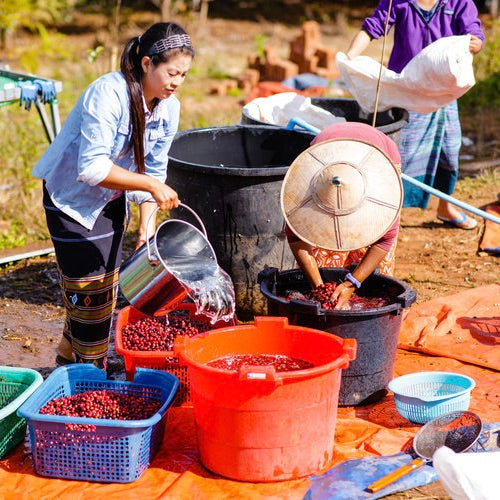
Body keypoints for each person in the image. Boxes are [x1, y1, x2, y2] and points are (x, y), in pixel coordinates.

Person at [31, 22, 194, 369]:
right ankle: (92, 375)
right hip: (71, 200)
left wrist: (146, 231)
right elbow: (90, 168)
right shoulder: (108, 93)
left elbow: (154, 169)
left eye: (183, 75)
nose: (176, 82)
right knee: (88, 288)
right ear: (147, 63)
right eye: (171, 72)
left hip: (110, 197)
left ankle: (65, 354)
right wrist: (149, 186)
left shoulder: (169, 108)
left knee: (103, 286)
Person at [345, 0, 485, 230]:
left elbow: (474, 32)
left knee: (449, 150)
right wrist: (349, 57)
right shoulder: (397, 2)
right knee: (402, 155)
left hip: (444, 92)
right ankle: (387, 213)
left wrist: (475, 43)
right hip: (409, 91)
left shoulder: (458, 2)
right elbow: (372, 28)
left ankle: (444, 205)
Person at [282, 121, 402, 310]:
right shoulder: (306, 192)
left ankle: (359, 280)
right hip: (326, 154)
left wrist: (352, 283)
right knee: (323, 240)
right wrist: (319, 288)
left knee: (369, 232)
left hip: (377, 153)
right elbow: (296, 236)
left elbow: (384, 240)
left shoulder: (381, 191)